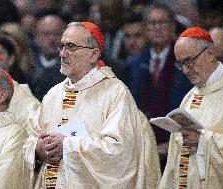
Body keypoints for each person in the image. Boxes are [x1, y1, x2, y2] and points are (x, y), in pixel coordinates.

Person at [24, 21, 160, 188]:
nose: (63, 53)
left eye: (71, 47)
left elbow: (120, 153)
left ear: (94, 54)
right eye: (62, 46)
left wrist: (67, 146)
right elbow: (30, 135)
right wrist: (37, 149)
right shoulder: (54, 94)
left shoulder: (115, 93)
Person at [159, 27, 223, 189]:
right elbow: (174, 162)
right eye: (180, 64)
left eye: (189, 61)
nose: (185, 70)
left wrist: (204, 140)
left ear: (210, 53)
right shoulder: (190, 97)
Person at [127, 3, 193, 172]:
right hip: (140, 150)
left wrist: (171, 143)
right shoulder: (132, 64)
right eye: (152, 24)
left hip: (179, 149)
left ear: (172, 26)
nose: (157, 28)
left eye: (162, 23)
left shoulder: (188, 64)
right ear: (145, 29)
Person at [30, 14, 66, 100]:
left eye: (57, 34)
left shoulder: (73, 69)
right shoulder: (27, 65)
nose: (52, 39)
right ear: (36, 37)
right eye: (46, 34)